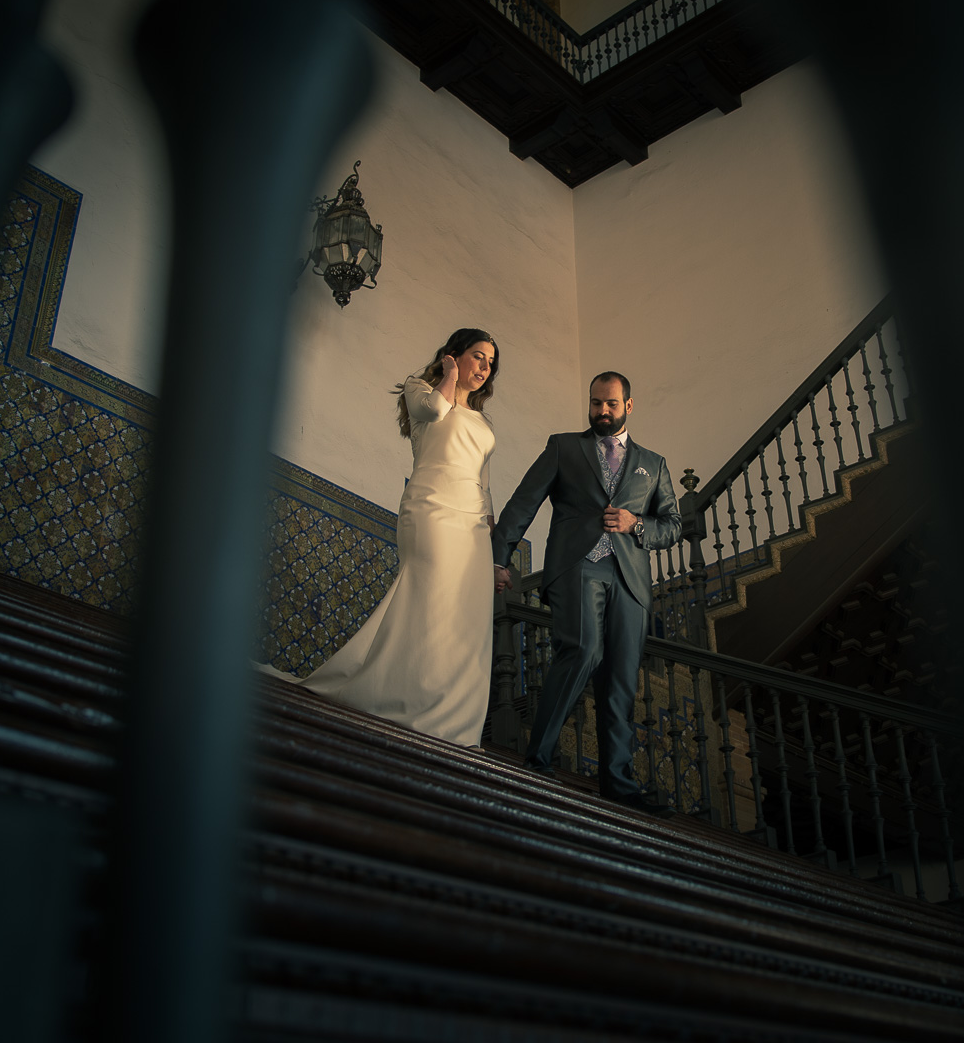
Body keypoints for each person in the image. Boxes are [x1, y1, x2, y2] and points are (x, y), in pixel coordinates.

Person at [260, 328, 501, 747]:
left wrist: (495, 546)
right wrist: (446, 374)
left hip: (473, 526)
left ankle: (452, 718)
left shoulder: (482, 421)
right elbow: (433, 411)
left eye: (490, 363)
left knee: (464, 614)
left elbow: (483, 481)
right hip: (432, 510)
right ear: (453, 355)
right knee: (430, 599)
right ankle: (397, 696)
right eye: (478, 357)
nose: (485, 368)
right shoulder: (421, 389)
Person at [491, 371, 681, 812]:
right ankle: (538, 759)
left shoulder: (653, 463)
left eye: (610, 404)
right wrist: (499, 557)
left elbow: (672, 525)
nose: (601, 411)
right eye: (595, 403)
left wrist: (638, 525)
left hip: (630, 579)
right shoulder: (563, 446)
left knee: (619, 683)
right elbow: (524, 501)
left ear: (628, 406)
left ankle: (617, 782)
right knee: (583, 649)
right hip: (579, 566)